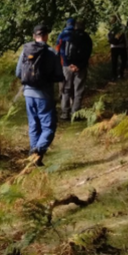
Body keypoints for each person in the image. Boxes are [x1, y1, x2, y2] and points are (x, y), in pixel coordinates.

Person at [16, 23, 65, 166]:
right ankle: (38, 150)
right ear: (46, 36)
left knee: (33, 125)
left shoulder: (25, 50)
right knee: (49, 127)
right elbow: (59, 75)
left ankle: (35, 158)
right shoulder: (52, 53)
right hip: (44, 95)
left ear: (34, 36)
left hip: (28, 94)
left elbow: (18, 73)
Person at [56, 18, 93, 121]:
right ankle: (75, 113)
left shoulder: (66, 36)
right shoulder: (87, 38)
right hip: (81, 68)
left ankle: (65, 113)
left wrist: (69, 64)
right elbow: (87, 54)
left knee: (66, 90)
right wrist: (79, 66)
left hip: (67, 67)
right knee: (79, 90)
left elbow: (61, 51)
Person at [107, 15, 128, 80]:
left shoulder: (111, 28)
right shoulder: (123, 27)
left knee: (114, 62)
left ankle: (114, 76)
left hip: (113, 47)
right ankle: (121, 74)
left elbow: (108, 37)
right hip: (122, 46)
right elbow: (126, 37)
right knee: (124, 60)